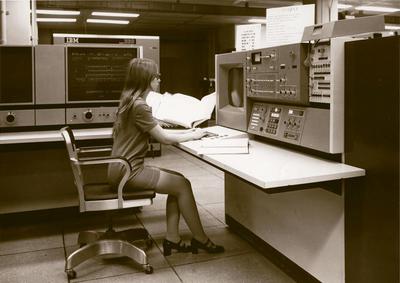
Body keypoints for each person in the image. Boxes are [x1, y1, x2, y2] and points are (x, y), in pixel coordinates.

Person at [108, 58, 224, 256]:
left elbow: (158, 132)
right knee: (182, 185)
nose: (159, 80)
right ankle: (200, 239)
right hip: (130, 172)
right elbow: (164, 139)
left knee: (179, 181)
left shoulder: (129, 100)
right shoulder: (140, 106)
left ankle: (173, 239)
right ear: (146, 80)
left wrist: (162, 124)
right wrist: (193, 134)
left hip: (119, 168)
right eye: (156, 77)